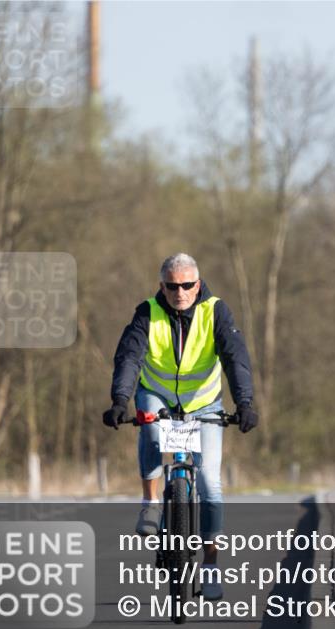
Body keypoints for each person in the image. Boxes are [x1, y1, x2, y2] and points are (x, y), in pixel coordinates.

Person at [103, 253, 258, 599]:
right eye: (172, 286)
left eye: (187, 285)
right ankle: (150, 503)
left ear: (198, 284)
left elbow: (235, 357)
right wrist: (119, 400)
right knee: (153, 432)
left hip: (204, 402)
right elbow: (129, 357)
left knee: (210, 483)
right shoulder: (147, 312)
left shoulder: (215, 310)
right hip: (156, 394)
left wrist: (244, 403)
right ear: (162, 286)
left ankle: (211, 567)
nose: (180, 292)